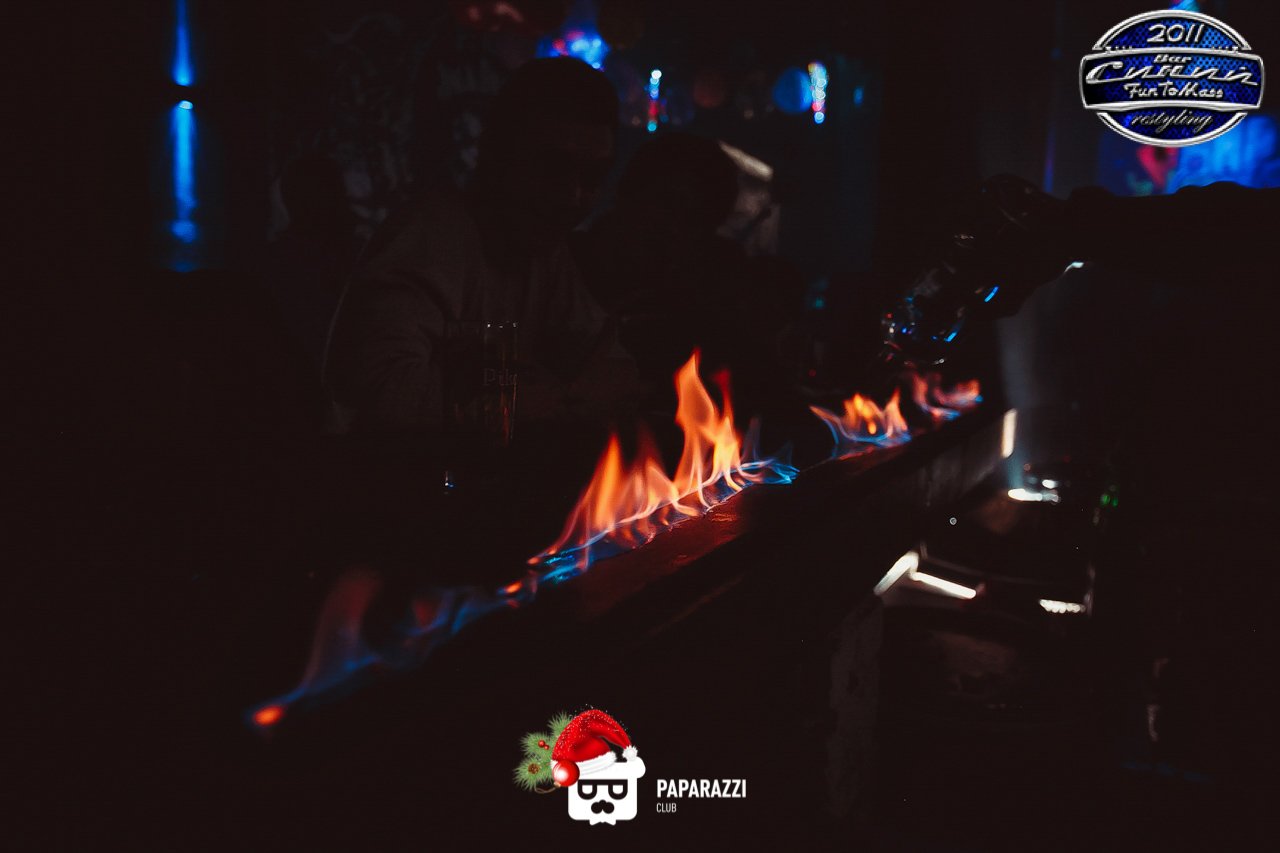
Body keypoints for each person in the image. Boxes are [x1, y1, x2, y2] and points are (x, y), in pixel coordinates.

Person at [325, 57, 637, 433]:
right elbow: (374, 387)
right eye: (552, 168)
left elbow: (602, 360)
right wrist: (531, 401)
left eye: (592, 177)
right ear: (496, 153)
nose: (573, 197)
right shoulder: (433, 237)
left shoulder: (544, 250)